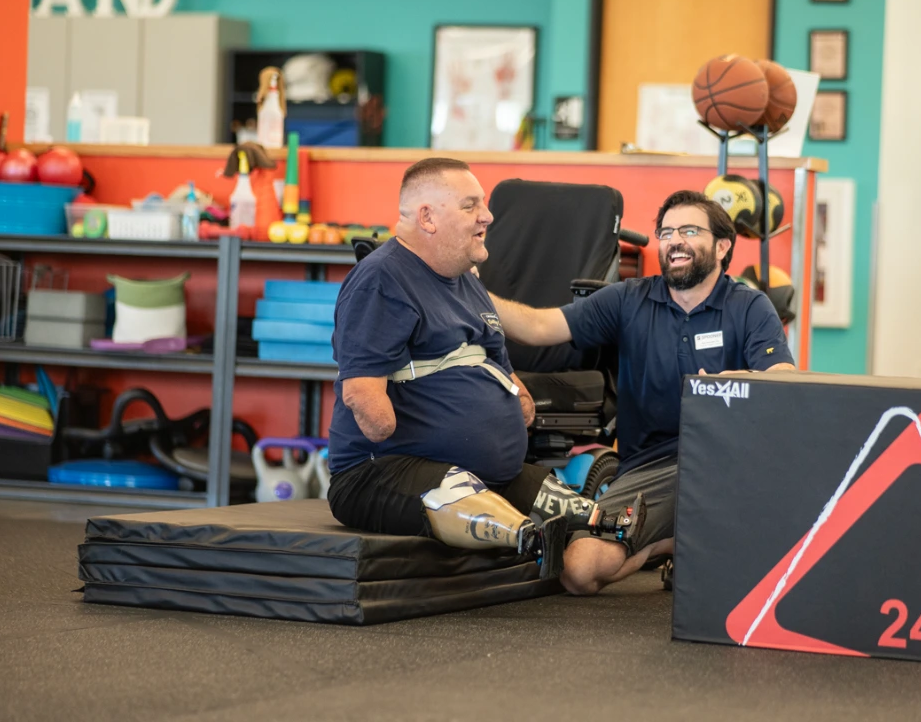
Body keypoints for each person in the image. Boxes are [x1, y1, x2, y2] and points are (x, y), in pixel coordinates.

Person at [326, 157, 645, 578]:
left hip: (486, 472)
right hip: (382, 472)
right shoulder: (382, 280)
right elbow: (361, 390)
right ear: (428, 218)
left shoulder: (466, 280)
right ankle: (527, 539)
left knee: (588, 514)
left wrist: (518, 397)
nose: (488, 216)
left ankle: (614, 531)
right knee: (471, 498)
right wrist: (380, 419)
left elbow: (491, 357)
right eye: (470, 205)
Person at [488, 189, 796, 595]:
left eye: (689, 230)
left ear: (722, 246)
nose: (675, 241)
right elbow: (538, 327)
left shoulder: (749, 306)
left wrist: (738, 383)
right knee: (579, 571)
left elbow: (784, 378)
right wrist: (468, 290)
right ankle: (676, 542)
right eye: (666, 232)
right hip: (651, 467)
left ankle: (695, 539)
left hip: (728, 464)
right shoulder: (627, 300)